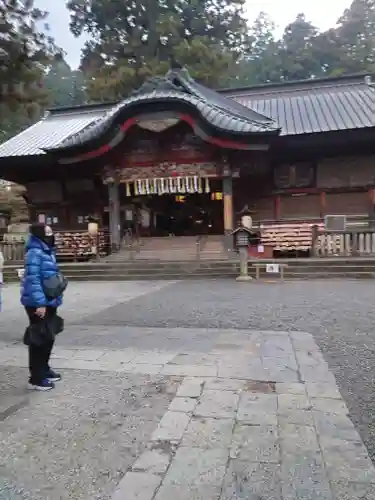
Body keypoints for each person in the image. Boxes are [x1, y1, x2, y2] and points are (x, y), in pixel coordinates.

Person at [21, 223, 63, 391]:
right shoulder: (34, 253)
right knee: (39, 339)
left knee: (48, 337)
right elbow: (33, 280)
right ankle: (36, 378)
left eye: (51, 231)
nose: (51, 234)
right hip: (38, 303)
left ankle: (44, 369)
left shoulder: (46, 251)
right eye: (47, 232)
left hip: (49, 300)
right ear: (39, 235)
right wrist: (40, 303)